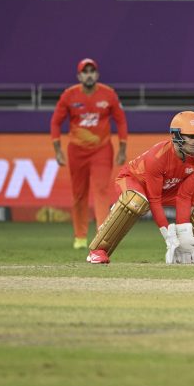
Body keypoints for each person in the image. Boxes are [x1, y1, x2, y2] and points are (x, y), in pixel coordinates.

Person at [86, 111, 194, 265]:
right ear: (175, 136)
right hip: (135, 181)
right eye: (191, 137)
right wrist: (168, 236)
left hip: (169, 186)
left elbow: (184, 196)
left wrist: (182, 235)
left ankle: (190, 252)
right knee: (135, 201)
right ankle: (98, 251)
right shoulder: (157, 158)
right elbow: (154, 199)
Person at [51, 58, 128, 250]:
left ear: (97, 75)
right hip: (77, 151)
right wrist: (58, 150)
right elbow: (55, 122)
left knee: (102, 191)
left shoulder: (108, 94)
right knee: (79, 194)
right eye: (85, 72)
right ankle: (80, 237)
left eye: (92, 71)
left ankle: (102, 234)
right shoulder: (69, 95)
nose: (89, 74)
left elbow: (121, 121)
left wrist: (122, 148)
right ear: (79, 76)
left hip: (102, 150)